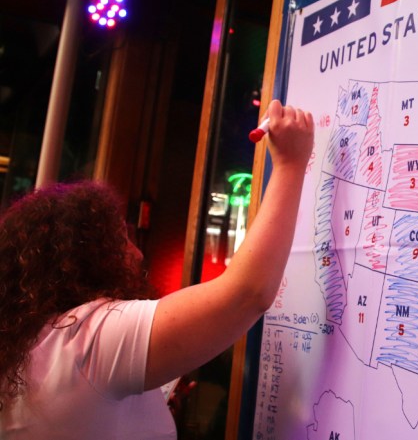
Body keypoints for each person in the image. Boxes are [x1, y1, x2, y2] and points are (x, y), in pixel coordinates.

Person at [0, 100, 314, 439]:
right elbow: (246, 294)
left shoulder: (27, 347)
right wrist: (290, 165)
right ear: (80, 259)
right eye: (121, 241)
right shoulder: (86, 339)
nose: (136, 254)